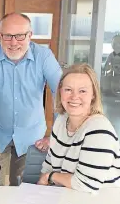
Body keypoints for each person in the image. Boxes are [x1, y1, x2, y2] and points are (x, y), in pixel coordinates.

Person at [0, 12, 63, 186]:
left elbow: (61, 92)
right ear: (0, 36)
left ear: (30, 35)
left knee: (27, 191)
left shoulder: (44, 56)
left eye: (20, 36)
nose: (13, 42)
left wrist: (55, 134)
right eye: (7, 36)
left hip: (33, 137)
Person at [38, 64, 120, 193]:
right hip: (66, 199)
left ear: (93, 95)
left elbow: (86, 184)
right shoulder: (61, 120)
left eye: (82, 91)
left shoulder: (99, 130)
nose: (74, 97)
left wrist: (51, 177)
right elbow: (48, 165)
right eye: (68, 89)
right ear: (60, 91)